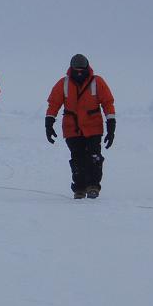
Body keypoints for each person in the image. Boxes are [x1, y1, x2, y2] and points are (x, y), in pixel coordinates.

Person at [45, 54, 116, 199]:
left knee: (94, 157)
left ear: (87, 68)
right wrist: (49, 123)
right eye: (76, 70)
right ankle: (79, 188)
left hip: (93, 128)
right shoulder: (63, 83)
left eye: (81, 70)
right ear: (71, 69)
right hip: (72, 128)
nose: (79, 73)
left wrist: (111, 126)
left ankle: (93, 186)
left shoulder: (98, 82)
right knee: (77, 158)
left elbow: (108, 103)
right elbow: (53, 104)